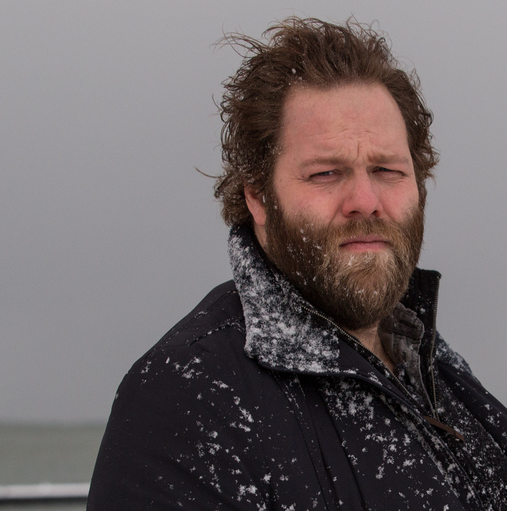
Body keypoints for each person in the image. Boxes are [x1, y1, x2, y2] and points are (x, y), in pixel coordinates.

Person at [87, 17, 507, 510]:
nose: (365, 200)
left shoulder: (440, 372)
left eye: (387, 170)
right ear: (259, 198)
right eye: (327, 173)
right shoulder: (185, 398)